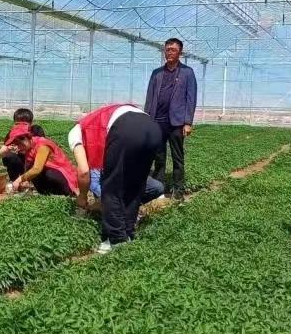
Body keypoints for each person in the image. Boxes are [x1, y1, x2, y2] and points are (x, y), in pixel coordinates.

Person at [68, 103, 164, 254]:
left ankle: (115, 240)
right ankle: (128, 233)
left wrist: (82, 196)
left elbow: (84, 171)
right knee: (136, 185)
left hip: (126, 129)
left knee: (112, 186)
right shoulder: (100, 118)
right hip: (154, 130)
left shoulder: (75, 132)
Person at [143, 37, 197, 199]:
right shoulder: (157, 73)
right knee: (158, 156)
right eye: (167, 50)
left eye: (173, 50)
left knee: (177, 157)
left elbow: (191, 98)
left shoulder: (187, 72)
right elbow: (149, 97)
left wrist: (188, 122)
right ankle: (159, 189)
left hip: (177, 122)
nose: (169, 52)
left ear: (180, 52)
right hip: (157, 121)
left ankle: (178, 190)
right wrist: (146, 118)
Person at [5, 123, 79, 197]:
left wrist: (19, 179)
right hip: (51, 175)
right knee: (34, 173)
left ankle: (66, 193)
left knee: (49, 174)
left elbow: (37, 169)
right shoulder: (30, 147)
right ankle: (46, 194)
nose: (18, 148)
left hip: (63, 175)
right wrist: (25, 180)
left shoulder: (42, 145)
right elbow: (29, 167)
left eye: (19, 144)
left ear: (25, 139)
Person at [0, 107, 34, 181]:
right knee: (11, 157)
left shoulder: (35, 131)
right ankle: (14, 180)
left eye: (24, 123)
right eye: (18, 123)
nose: (21, 125)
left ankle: (30, 180)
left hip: (31, 160)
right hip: (18, 161)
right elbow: (0, 153)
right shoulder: (12, 133)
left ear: (31, 123)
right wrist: (8, 149)